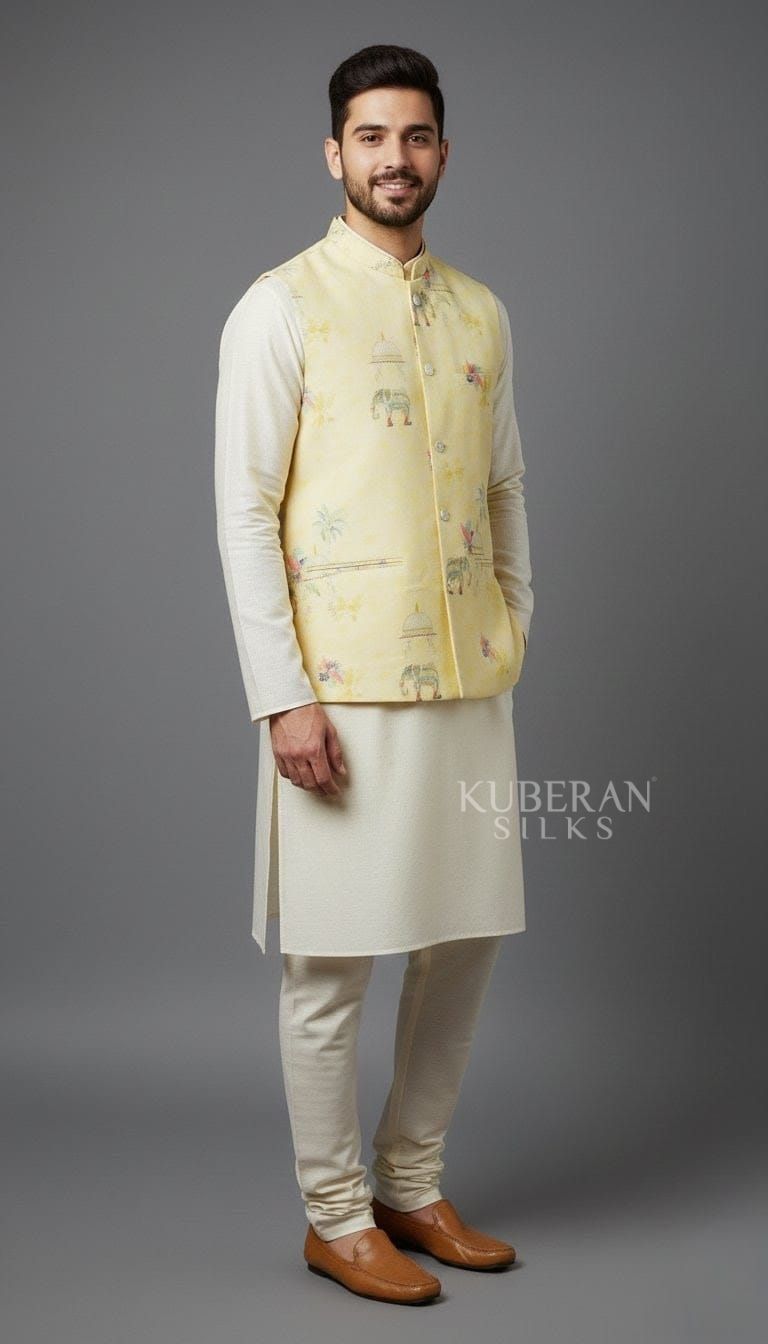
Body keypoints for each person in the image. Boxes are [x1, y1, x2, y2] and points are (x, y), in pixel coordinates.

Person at [214, 43, 534, 1305]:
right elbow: (245, 513)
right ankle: (336, 1216)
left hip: (469, 682)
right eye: (370, 136)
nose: (394, 158)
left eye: (414, 136)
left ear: (443, 152)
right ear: (333, 153)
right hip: (338, 692)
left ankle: (411, 1181)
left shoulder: (481, 311)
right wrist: (283, 695)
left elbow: (505, 484)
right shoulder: (280, 306)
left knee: (465, 944)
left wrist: (516, 619)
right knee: (331, 967)